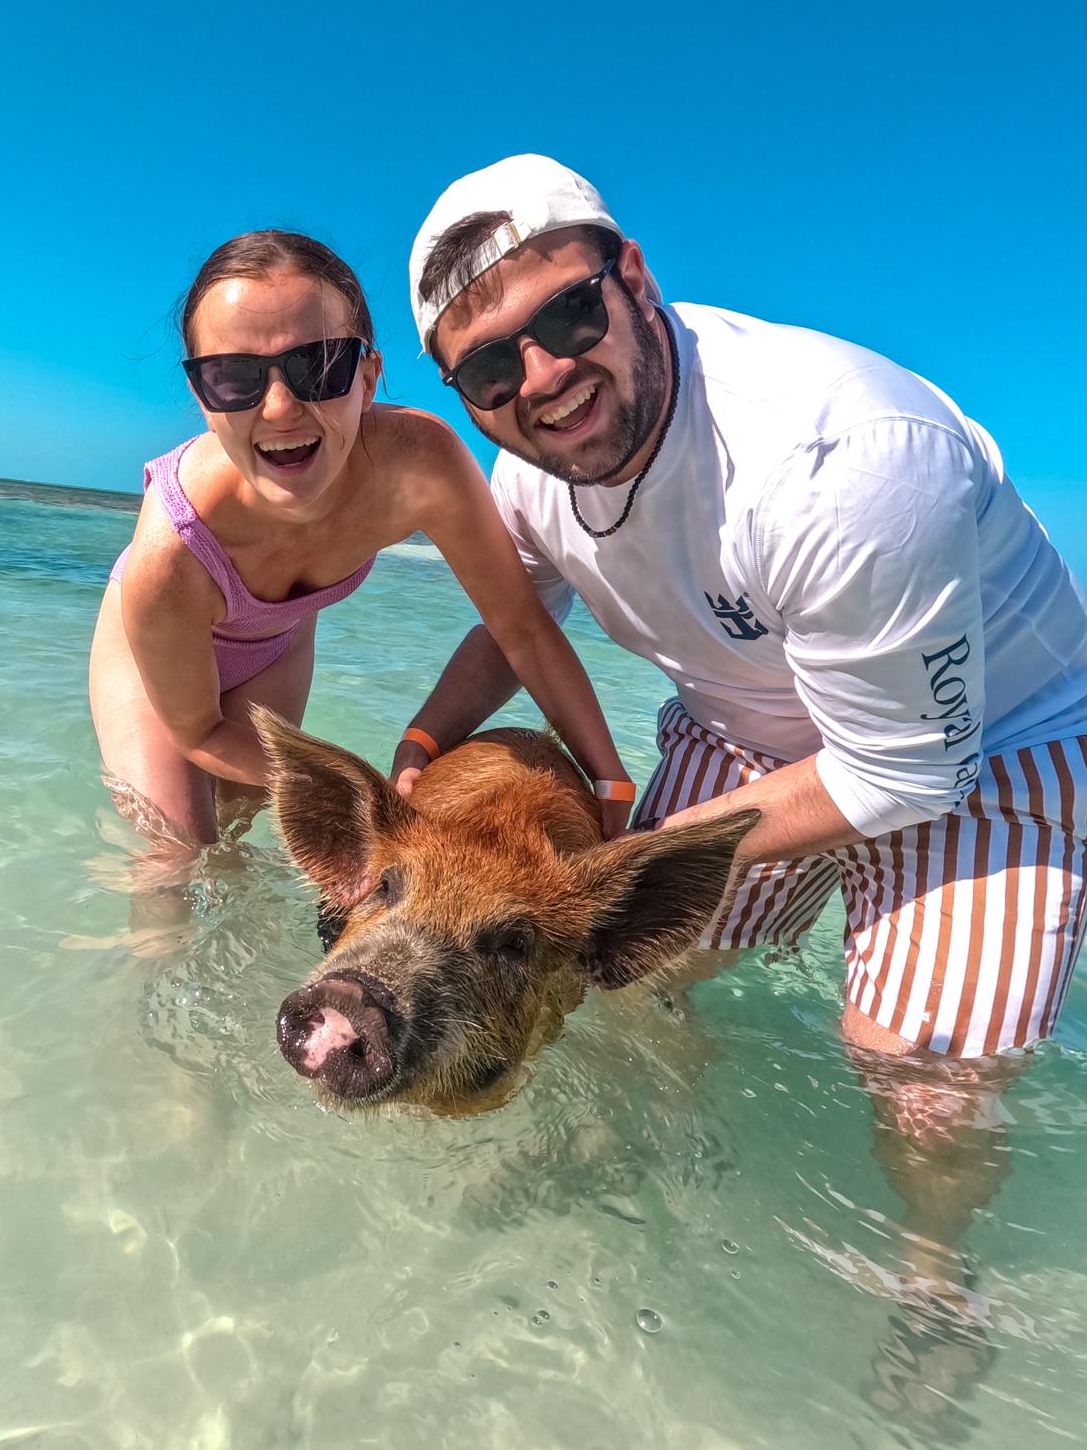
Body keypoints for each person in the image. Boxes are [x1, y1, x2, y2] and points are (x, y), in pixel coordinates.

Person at [399, 153, 1087, 1423]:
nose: (542, 379)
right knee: (627, 967)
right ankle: (650, 1130)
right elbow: (514, 624)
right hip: (755, 724)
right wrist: (419, 754)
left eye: (566, 317)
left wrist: (617, 860)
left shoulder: (844, 457)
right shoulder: (528, 473)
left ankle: (936, 1285)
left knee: (920, 1081)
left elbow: (905, 766)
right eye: (491, 367)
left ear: (634, 278)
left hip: (991, 738)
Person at [89, 229, 634, 855]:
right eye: (233, 378)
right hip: (155, 652)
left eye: (318, 367)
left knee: (240, 831)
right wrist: (366, 795)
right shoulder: (172, 556)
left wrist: (610, 777)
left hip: (276, 642)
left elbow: (521, 626)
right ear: (201, 397)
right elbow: (200, 734)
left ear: (369, 377)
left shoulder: (420, 465)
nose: (278, 408)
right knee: (175, 864)